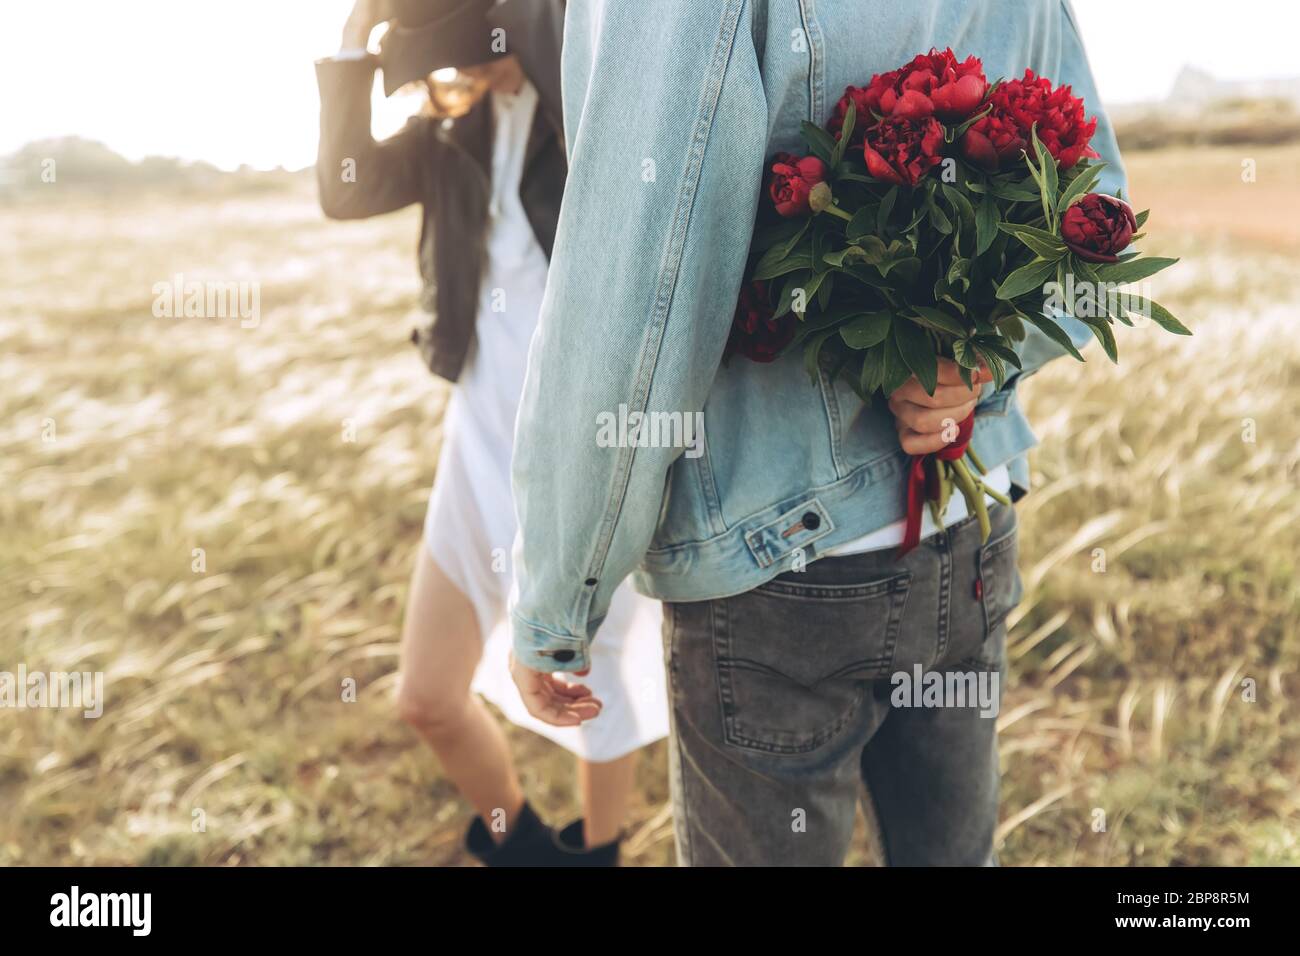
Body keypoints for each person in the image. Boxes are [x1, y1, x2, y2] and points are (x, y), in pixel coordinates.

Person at [508, 0, 1124, 865]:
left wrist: (556, 596)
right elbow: (1096, 211)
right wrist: (972, 369)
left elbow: (638, 286)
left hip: (776, 567)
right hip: (968, 536)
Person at [315, 0, 667, 866]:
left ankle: (602, 850)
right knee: (425, 698)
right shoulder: (450, 136)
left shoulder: (588, 108)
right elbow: (346, 186)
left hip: (586, 446)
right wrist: (355, 45)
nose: (458, 69)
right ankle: (526, 852)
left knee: (598, 682)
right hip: (476, 440)